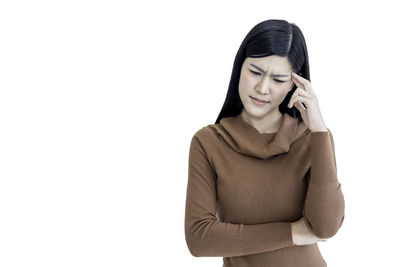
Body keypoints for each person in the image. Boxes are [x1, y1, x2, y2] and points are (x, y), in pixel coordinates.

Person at [184, 19, 345, 267]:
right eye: (255, 72)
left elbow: (325, 227)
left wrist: (319, 130)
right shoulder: (209, 142)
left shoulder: (312, 138)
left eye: (279, 79)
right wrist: (294, 232)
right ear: (240, 67)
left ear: (295, 84)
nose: (262, 88)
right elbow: (200, 238)